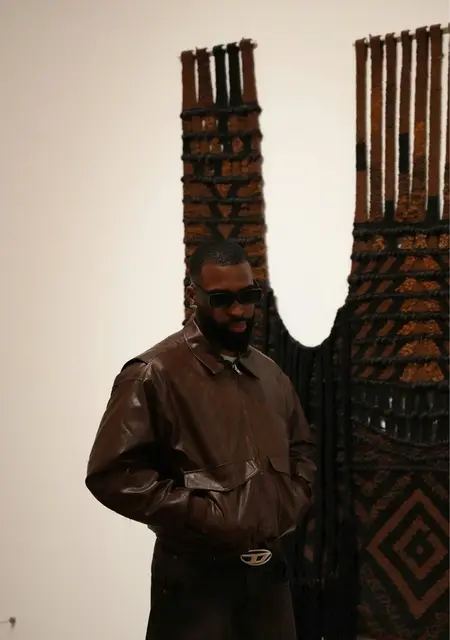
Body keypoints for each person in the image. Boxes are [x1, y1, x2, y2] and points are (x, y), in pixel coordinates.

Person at [85, 240, 316, 640]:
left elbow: (302, 451)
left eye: (248, 296)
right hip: (195, 590)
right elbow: (112, 474)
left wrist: (287, 504)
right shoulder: (153, 374)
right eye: (223, 299)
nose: (239, 311)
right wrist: (204, 517)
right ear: (194, 295)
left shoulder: (270, 375)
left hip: (270, 586)